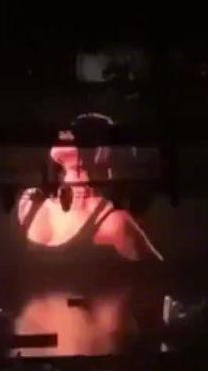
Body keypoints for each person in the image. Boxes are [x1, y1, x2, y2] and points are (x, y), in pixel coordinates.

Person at [12, 112, 163, 356]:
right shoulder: (30, 204)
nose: (66, 135)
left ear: (100, 151)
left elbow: (161, 280)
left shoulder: (114, 223)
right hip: (28, 355)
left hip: (82, 354)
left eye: (80, 134)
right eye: (69, 131)